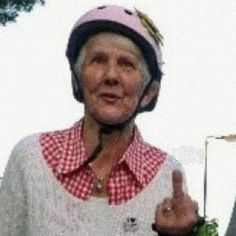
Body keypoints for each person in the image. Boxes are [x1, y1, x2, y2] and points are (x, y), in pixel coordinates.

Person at [0, 5, 199, 235]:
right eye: (98, 60)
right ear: (77, 79)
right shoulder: (30, 159)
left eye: (127, 64)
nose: (111, 76)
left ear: (149, 93)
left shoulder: (168, 174)